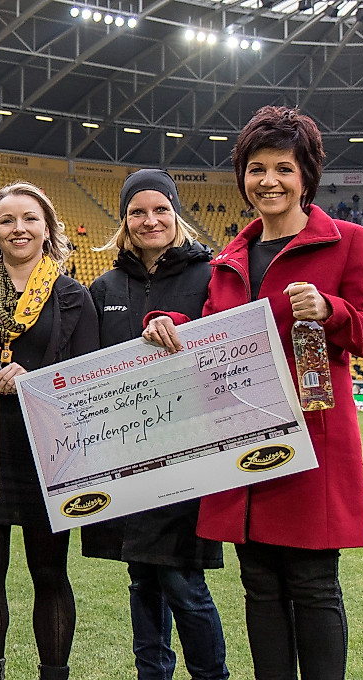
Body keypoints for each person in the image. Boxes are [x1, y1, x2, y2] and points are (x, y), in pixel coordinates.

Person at [141, 106, 363, 680]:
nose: (269, 181)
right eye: (256, 168)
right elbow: (214, 335)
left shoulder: (349, 242)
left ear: (306, 176)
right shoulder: (228, 258)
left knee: (313, 584)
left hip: (313, 441)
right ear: (242, 177)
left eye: (283, 168)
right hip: (243, 441)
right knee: (259, 585)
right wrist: (170, 323)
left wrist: (331, 310)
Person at [0, 182, 99, 680]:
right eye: (7, 220)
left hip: (47, 452)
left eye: (30, 219)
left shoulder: (72, 296)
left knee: (50, 574)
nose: (19, 229)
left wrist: (34, 380)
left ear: (47, 228)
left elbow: (86, 379)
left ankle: (53, 673)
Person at [83, 169, 228, 680]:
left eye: (160, 209)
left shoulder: (210, 276)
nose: (150, 221)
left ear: (176, 214)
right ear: (124, 221)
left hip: (188, 455)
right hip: (125, 458)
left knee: (183, 583)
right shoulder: (104, 287)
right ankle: (152, 673)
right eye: (137, 212)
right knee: (142, 578)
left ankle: (211, 675)